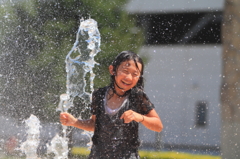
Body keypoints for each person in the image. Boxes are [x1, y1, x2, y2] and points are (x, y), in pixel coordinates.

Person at [60, 51, 163, 159]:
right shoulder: (99, 94)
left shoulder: (136, 96)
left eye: (135, 74)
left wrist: (140, 117)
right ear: (112, 70)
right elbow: (95, 125)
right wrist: (75, 122)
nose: (129, 77)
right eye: (125, 71)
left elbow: (158, 126)